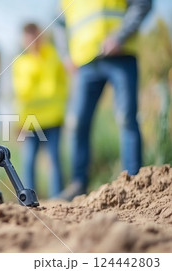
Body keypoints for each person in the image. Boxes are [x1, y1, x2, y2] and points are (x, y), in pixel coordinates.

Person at [55, 0, 152, 200]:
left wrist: (120, 35)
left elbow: (143, 4)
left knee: (126, 118)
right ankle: (78, 183)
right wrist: (66, 54)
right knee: (77, 123)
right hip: (85, 62)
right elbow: (58, 23)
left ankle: (133, 180)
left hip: (121, 54)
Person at [12, 23, 68, 198]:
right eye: (28, 37)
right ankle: (28, 199)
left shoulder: (53, 56)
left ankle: (58, 199)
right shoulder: (20, 63)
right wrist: (19, 122)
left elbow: (62, 85)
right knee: (28, 162)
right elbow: (21, 94)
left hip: (53, 117)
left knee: (55, 161)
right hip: (30, 121)